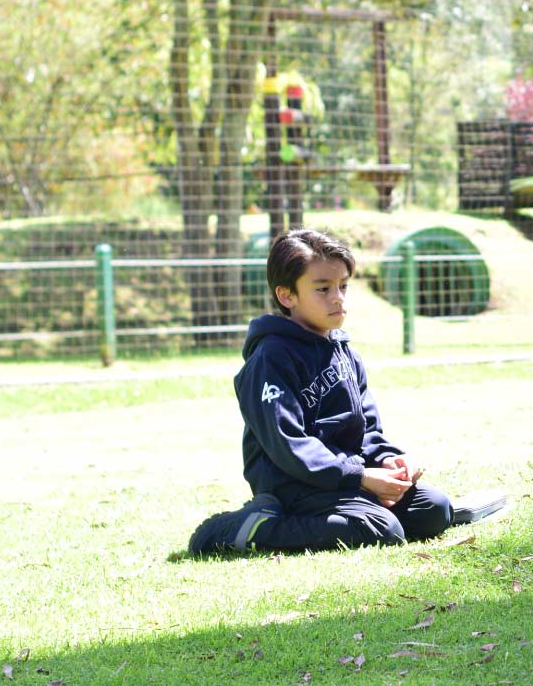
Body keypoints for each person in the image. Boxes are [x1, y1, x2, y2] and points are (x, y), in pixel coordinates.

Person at [187, 228, 455, 554]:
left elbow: (365, 427)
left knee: (434, 509)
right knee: (382, 529)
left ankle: (359, 509)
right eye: (323, 289)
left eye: (343, 286)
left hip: (346, 478)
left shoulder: (343, 350)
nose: (338, 297)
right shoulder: (270, 358)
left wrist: (386, 459)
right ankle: (249, 528)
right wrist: (358, 477)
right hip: (295, 486)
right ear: (287, 296)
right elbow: (288, 445)